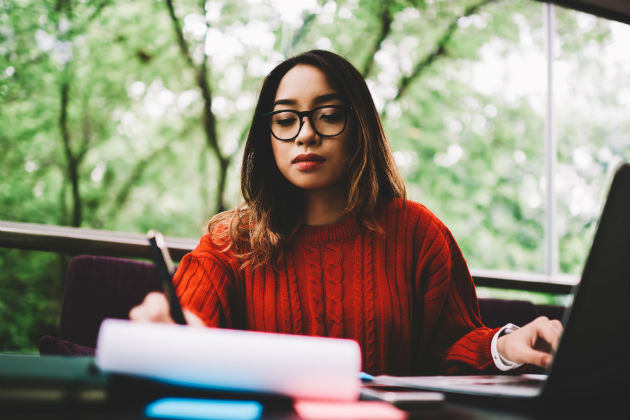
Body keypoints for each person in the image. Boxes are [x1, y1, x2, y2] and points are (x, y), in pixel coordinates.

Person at [130, 50, 563, 375]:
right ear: (268, 138)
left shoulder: (416, 232)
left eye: (329, 115)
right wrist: (172, 330)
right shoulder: (230, 241)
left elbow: (453, 347)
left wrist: (506, 344)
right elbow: (189, 326)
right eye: (285, 120)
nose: (306, 134)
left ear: (361, 127)